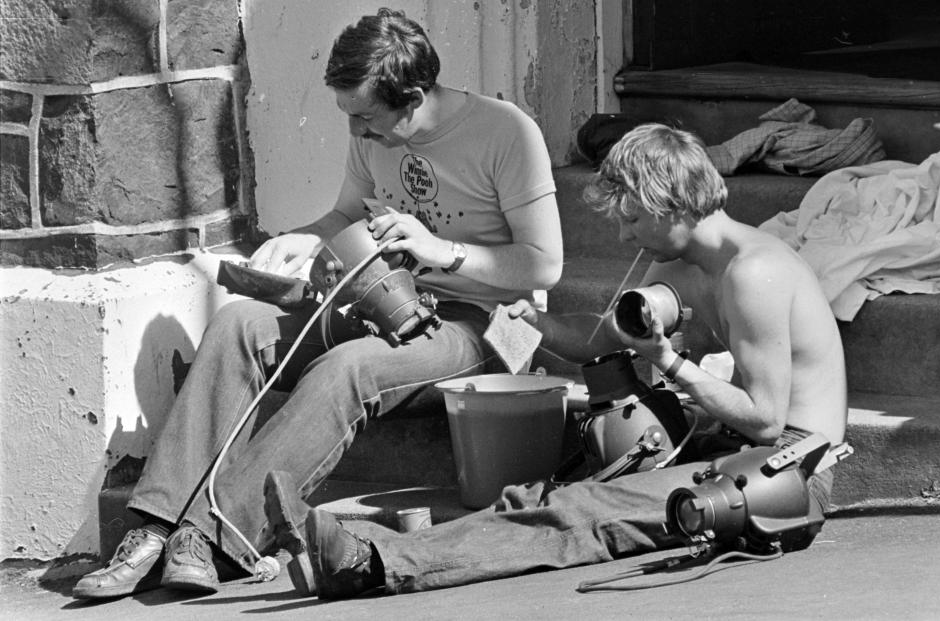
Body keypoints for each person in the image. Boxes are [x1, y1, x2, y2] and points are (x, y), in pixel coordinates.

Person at [72, 8, 562, 600]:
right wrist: (305, 236)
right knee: (240, 324)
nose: (356, 132)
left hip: (483, 325)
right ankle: (154, 526)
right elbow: (346, 215)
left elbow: (544, 264)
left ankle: (216, 533)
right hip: (383, 300)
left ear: (412, 97)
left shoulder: (506, 131)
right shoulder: (373, 132)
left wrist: (441, 251)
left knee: (347, 367)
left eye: (366, 118)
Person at [263, 122, 848, 598]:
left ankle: (370, 564)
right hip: (731, 450)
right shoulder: (680, 266)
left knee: (584, 509)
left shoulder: (755, 273)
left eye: (631, 218)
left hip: (786, 474)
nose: (622, 237)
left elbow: (767, 421)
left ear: (669, 204)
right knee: (542, 491)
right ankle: (358, 541)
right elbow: (601, 339)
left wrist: (668, 361)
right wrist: (536, 323)